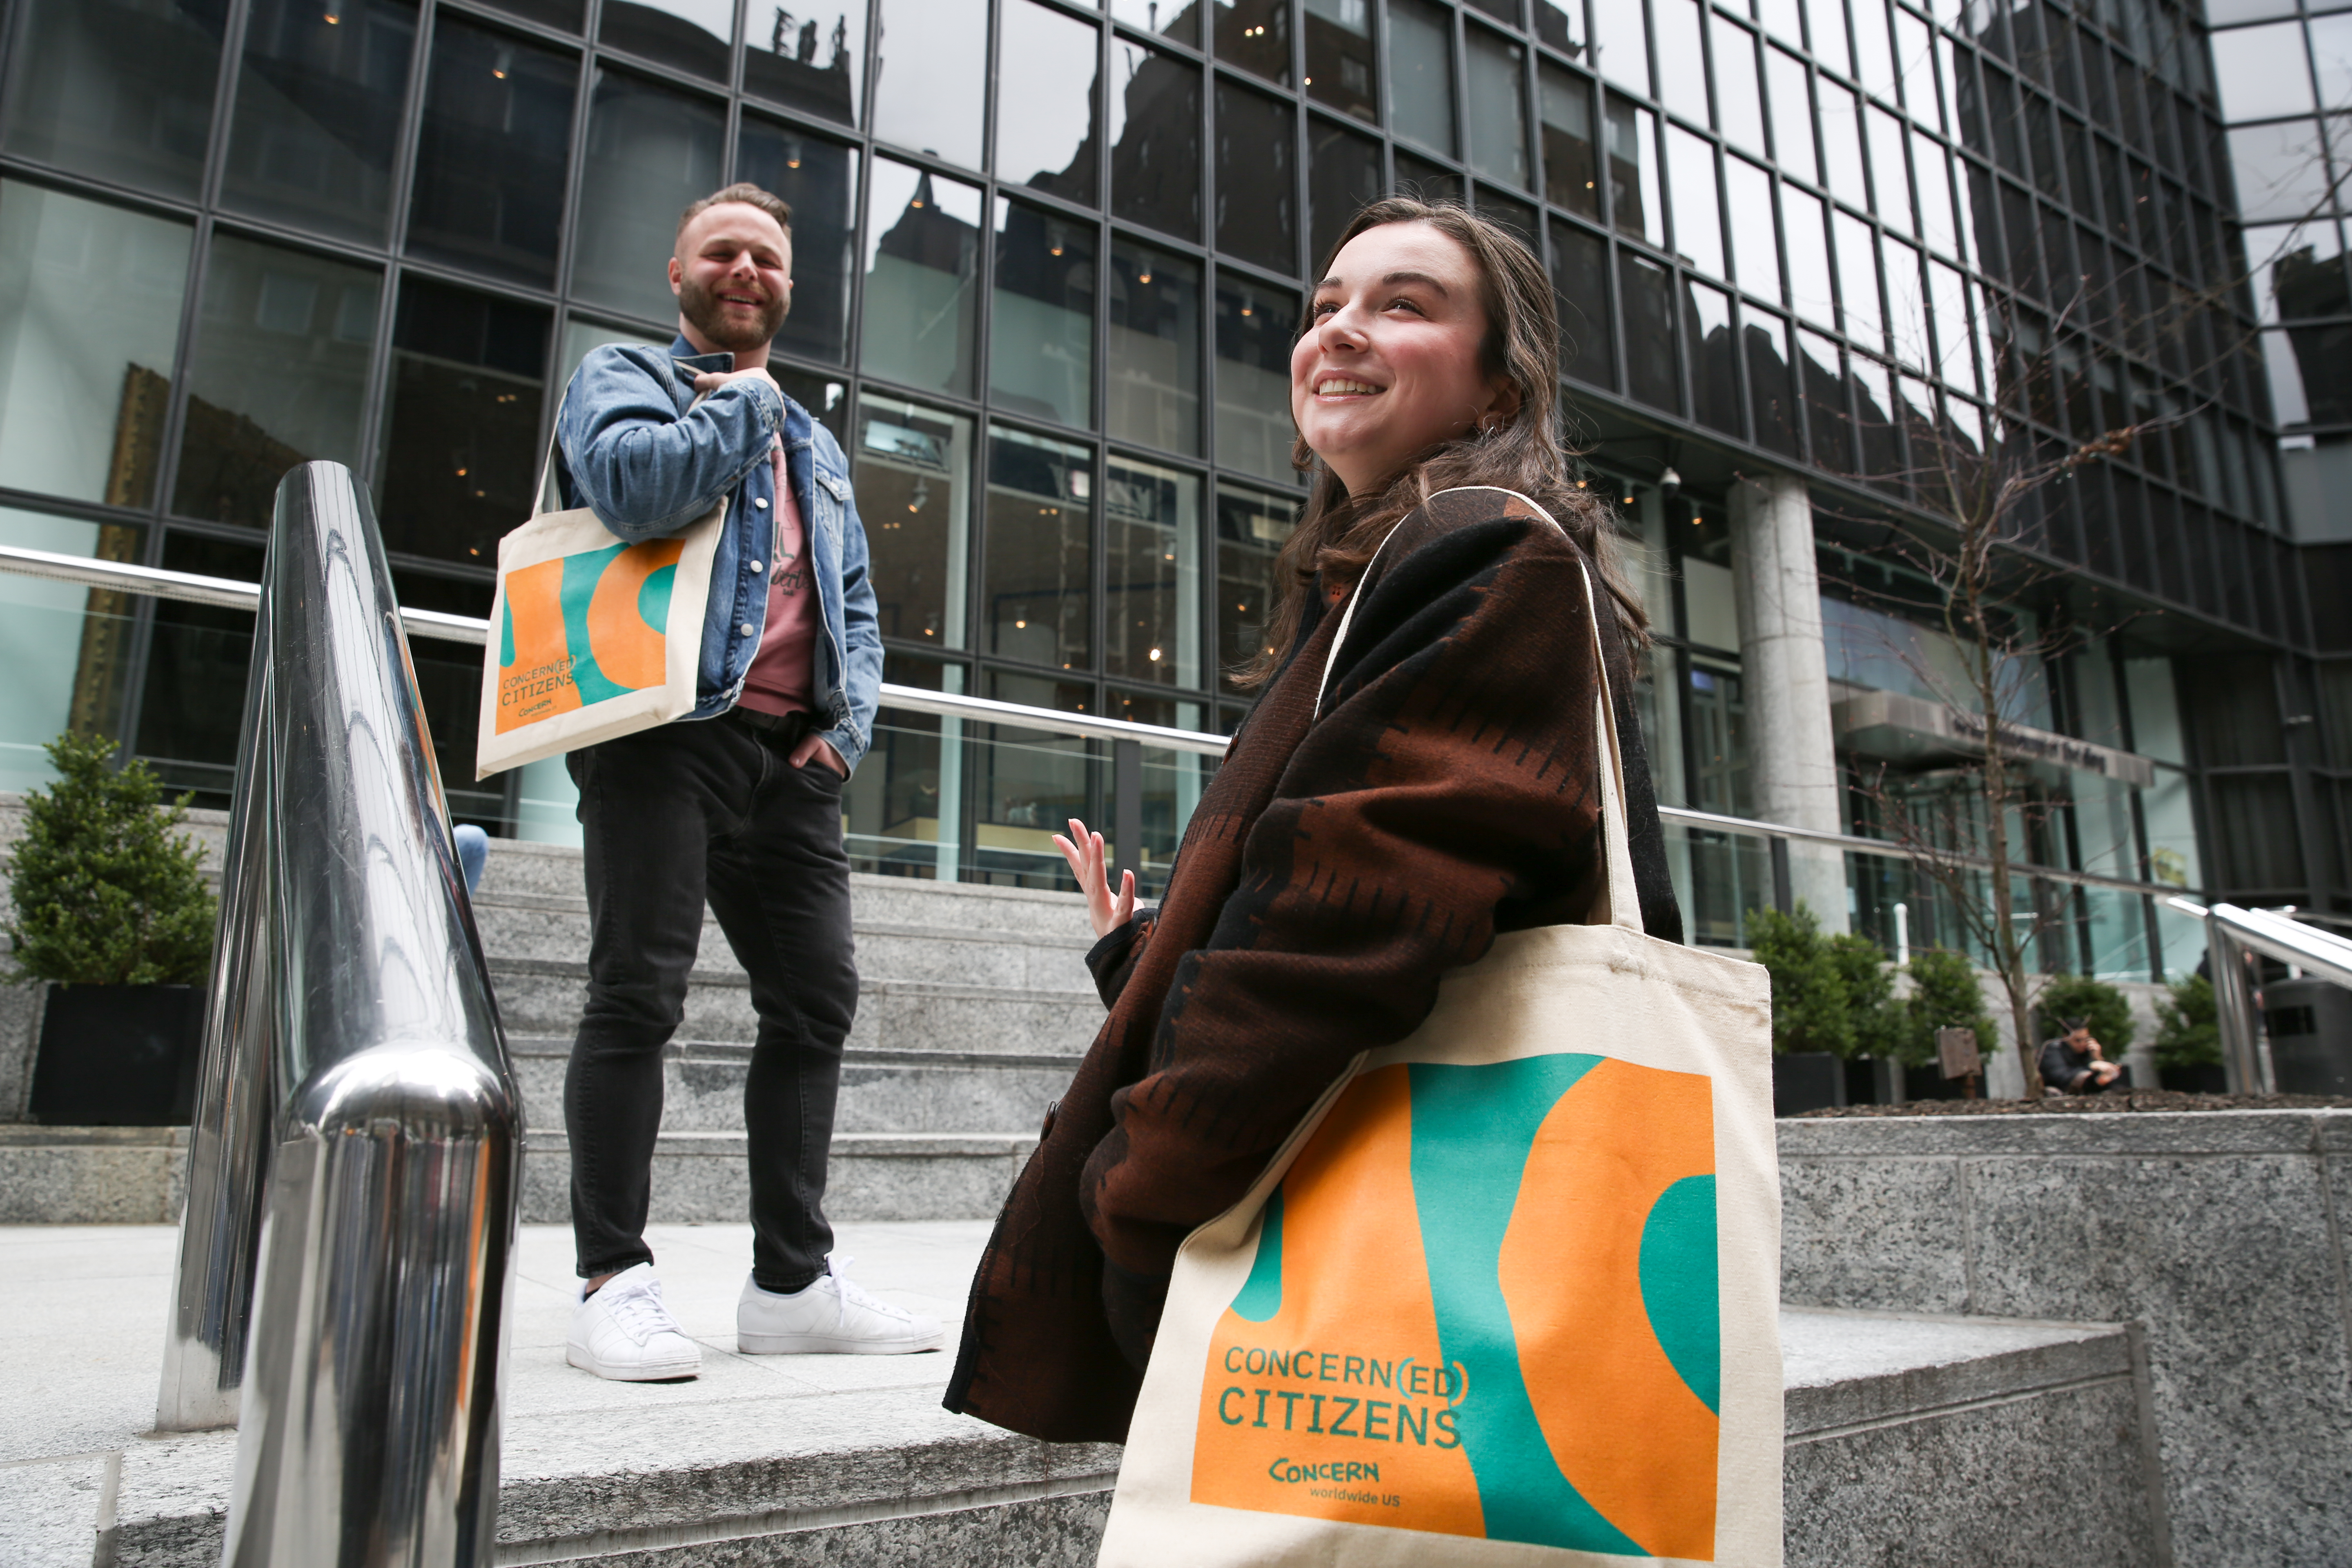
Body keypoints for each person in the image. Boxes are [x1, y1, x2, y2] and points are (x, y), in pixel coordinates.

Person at [942, 198, 1683, 1441]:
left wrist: (1140, 1187)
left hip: (1378, 1272)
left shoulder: (1492, 558)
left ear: (1500, 394)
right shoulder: (1370, 584)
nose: (1339, 329)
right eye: (1326, 303)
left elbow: (1343, 928)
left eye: (1403, 303)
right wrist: (1148, 954)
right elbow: (1368, 902)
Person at [552, 183, 938, 1383]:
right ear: (679, 270)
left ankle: (791, 1285)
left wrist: (848, 729)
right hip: (664, 736)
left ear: (788, 284)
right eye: (722, 250)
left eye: (768, 256)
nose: (747, 268)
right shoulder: (627, 377)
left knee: (816, 1002)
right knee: (636, 996)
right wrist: (745, 404)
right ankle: (612, 1281)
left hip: (792, 761)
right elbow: (633, 489)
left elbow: (856, 606)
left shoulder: (816, 446)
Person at [2040, 1016, 2127, 1094]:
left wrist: (2098, 1059)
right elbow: (2062, 1078)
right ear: (2065, 1037)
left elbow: (2095, 1082)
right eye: (2078, 1041)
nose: (2083, 1044)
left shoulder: (2088, 1050)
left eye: (2086, 1040)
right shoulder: (2054, 1050)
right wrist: (2092, 1067)